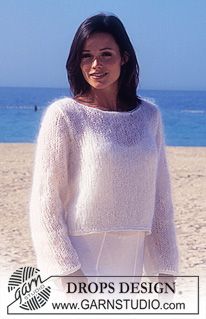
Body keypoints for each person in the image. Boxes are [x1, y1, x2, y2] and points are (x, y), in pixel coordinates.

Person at [29, 13, 179, 289]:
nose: (95, 65)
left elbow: (160, 201)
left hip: (132, 259)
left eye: (106, 54)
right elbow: (45, 202)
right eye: (86, 56)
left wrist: (165, 269)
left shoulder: (149, 116)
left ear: (124, 57)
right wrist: (66, 270)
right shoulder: (64, 115)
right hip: (80, 259)